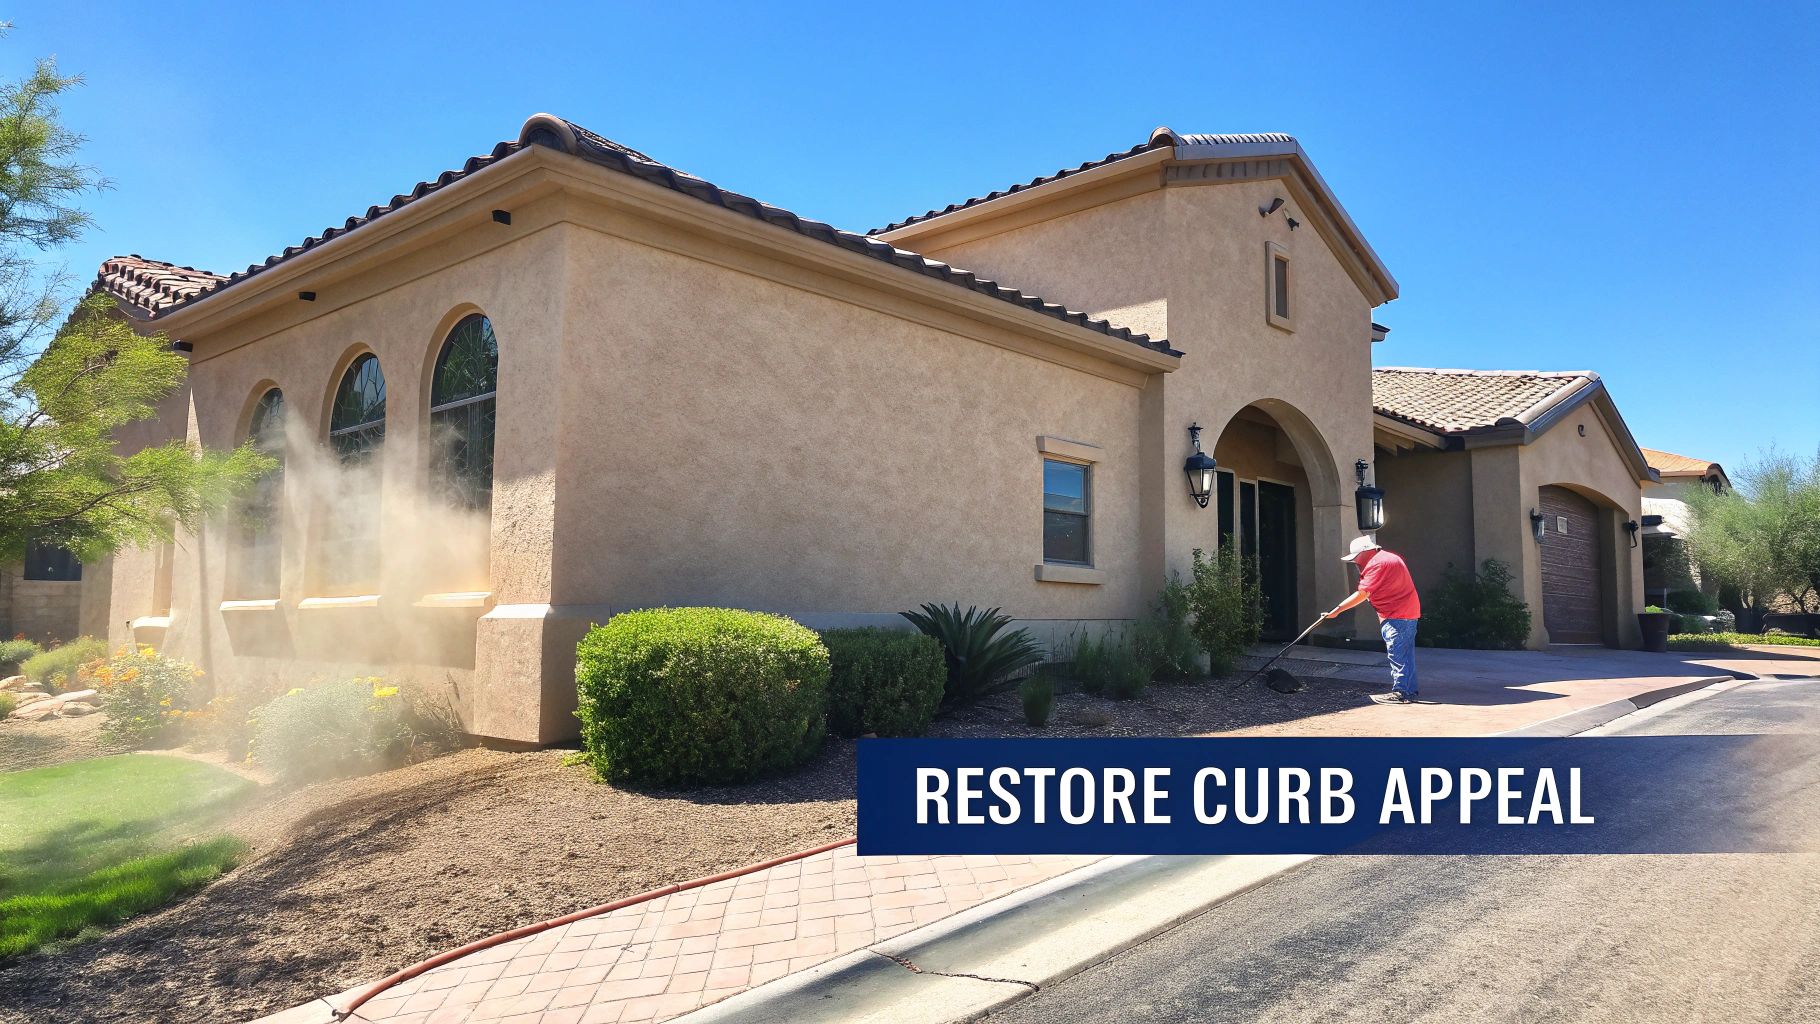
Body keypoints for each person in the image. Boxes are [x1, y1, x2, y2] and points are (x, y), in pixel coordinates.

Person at [1323, 536, 1423, 705]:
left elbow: (1363, 594)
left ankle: (1402, 692)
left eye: (1356, 557)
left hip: (1397, 615)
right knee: (1405, 654)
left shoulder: (1377, 563)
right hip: (1404, 613)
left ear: (1365, 552)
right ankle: (1409, 690)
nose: (1355, 561)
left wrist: (1337, 611)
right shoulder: (1389, 558)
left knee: (1398, 654)